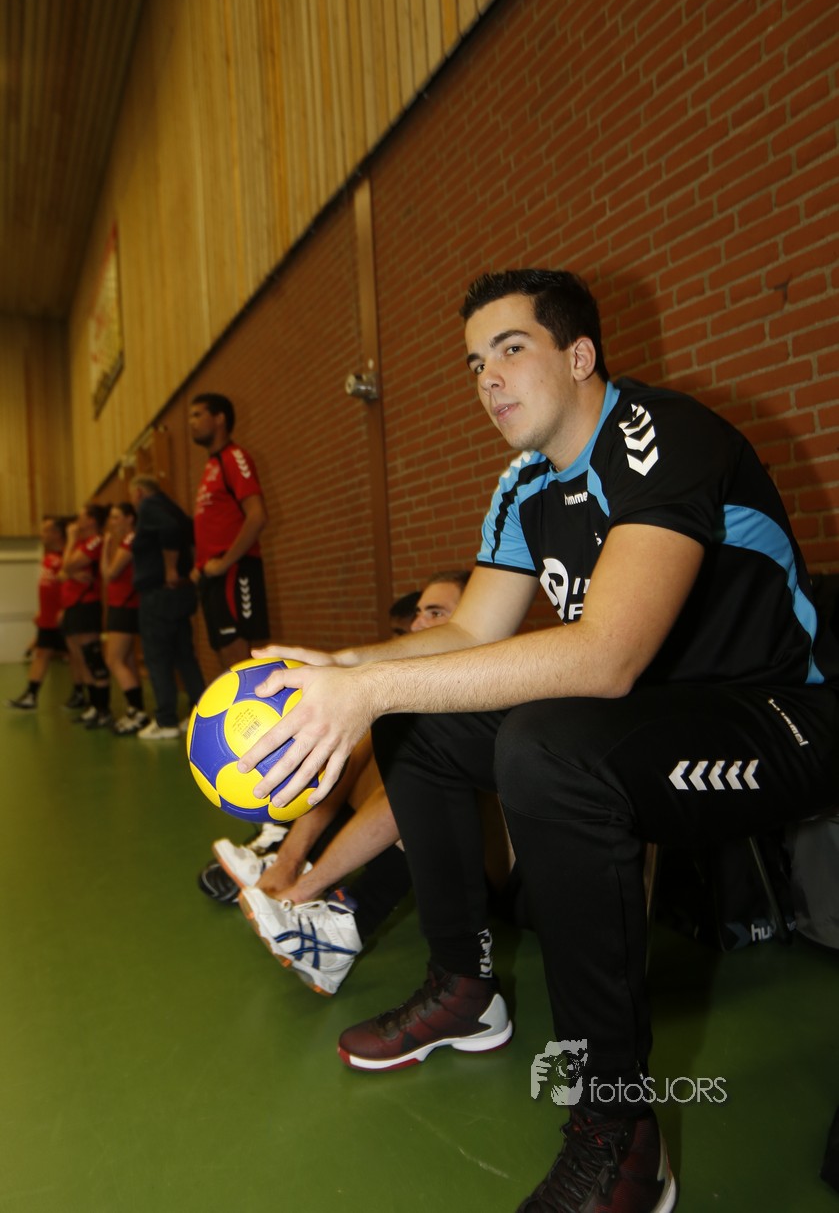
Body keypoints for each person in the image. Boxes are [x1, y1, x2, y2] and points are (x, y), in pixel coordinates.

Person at [233, 269, 839, 1213]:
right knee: (422, 724)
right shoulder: (524, 487)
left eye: (510, 349)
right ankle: (463, 989)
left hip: (782, 717)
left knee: (546, 748)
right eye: (475, 362)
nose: (488, 378)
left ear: (579, 354)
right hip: (653, 724)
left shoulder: (661, 437)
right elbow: (471, 633)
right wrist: (349, 666)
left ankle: (619, 1134)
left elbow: (605, 655)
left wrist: (368, 686)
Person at [233, 572, 472, 995]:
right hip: (421, 840)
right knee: (359, 732)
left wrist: (298, 895)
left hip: (500, 868)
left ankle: (324, 917)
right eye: (419, 612)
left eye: (436, 613)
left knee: (420, 775)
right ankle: (288, 859)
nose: (418, 623)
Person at [189, 393, 270, 668]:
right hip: (213, 576)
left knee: (240, 658)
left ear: (219, 418)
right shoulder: (211, 465)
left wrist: (224, 562)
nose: (192, 422)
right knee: (226, 657)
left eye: (198, 414)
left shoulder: (234, 457)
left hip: (235, 571)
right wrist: (200, 566)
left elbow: (257, 516)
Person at [129, 475, 205, 740]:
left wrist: (171, 568)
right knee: (184, 655)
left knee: (158, 657)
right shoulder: (173, 507)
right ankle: (201, 713)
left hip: (159, 595)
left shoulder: (149, 507)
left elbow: (170, 530)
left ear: (139, 492)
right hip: (179, 595)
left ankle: (166, 720)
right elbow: (192, 530)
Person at [7, 516, 70, 709]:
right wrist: (43, 613)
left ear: (56, 533)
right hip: (47, 619)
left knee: (76, 658)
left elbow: (71, 587)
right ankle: (31, 696)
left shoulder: (67, 558)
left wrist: (65, 609)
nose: (41, 535)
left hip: (64, 619)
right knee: (42, 654)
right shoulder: (48, 558)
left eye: (45, 530)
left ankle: (83, 695)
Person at [60, 503, 113, 728]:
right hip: (73, 605)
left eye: (81, 517)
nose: (77, 522)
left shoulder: (94, 541)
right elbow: (62, 572)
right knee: (79, 657)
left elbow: (67, 565)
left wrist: (70, 541)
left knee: (91, 657)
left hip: (86, 604)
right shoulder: (82, 543)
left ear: (92, 520)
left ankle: (103, 709)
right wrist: (70, 571)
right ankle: (93, 706)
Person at [101, 502, 149, 734]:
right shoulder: (126, 540)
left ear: (130, 518)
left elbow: (109, 573)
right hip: (121, 606)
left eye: (116, 517)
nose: (112, 523)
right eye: (111, 518)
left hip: (125, 606)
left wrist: (105, 546)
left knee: (114, 660)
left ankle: (138, 711)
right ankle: (135, 710)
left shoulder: (130, 539)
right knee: (127, 660)